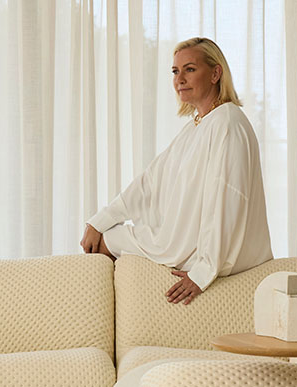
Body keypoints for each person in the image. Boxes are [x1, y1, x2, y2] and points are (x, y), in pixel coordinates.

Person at [80, 37, 273, 305]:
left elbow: (226, 200)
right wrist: (98, 221)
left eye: (190, 69)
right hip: (185, 240)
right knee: (104, 237)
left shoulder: (227, 123)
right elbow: (149, 183)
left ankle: (140, 309)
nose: (179, 79)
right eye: (175, 71)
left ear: (215, 74)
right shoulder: (197, 126)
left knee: (108, 241)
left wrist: (203, 272)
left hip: (216, 251)